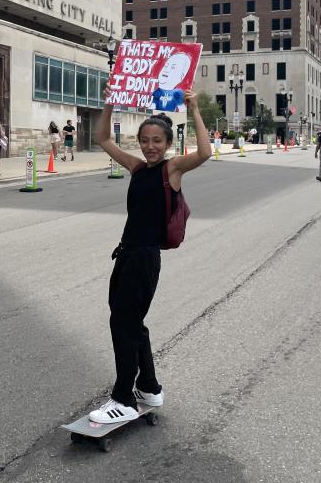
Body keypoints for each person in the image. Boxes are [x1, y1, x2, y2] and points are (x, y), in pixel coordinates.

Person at [89, 87, 210, 424]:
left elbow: (204, 153)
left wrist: (195, 108)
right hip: (126, 254)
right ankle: (149, 388)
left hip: (144, 258)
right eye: (145, 140)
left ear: (168, 143)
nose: (150, 146)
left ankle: (123, 397)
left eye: (157, 140)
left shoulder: (171, 170)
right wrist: (110, 102)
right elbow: (102, 138)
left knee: (123, 325)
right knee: (128, 321)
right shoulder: (138, 168)